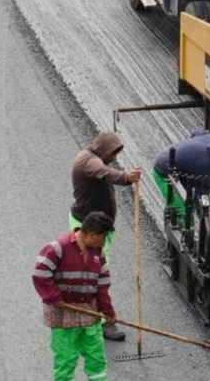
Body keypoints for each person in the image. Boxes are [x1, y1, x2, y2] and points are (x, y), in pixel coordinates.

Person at [70, 132, 140, 341]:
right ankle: (103, 321)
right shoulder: (89, 162)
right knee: (96, 276)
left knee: (93, 274)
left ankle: (88, 313)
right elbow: (104, 172)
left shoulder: (91, 156)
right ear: (103, 148)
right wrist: (126, 178)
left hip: (93, 226)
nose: (115, 158)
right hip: (89, 229)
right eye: (113, 153)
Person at [32, 212, 117, 381]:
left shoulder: (98, 253)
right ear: (92, 235)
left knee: (96, 359)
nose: (105, 241)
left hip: (89, 314)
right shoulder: (58, 248)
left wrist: (108, 310)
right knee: (65, 362)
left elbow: (102, 284)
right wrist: (55, 298)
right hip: (63, 314)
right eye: (104, 236)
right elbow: (40, 273)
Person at [152, 128, 210, 222]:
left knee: (187, 201)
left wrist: (191, 151)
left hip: (179, 168)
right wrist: (205, 221)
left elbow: (197, 132)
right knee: (185, 214)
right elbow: (201, 195)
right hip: (163, 171)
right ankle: (182, 232)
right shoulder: (208, 165)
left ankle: (173, 215)